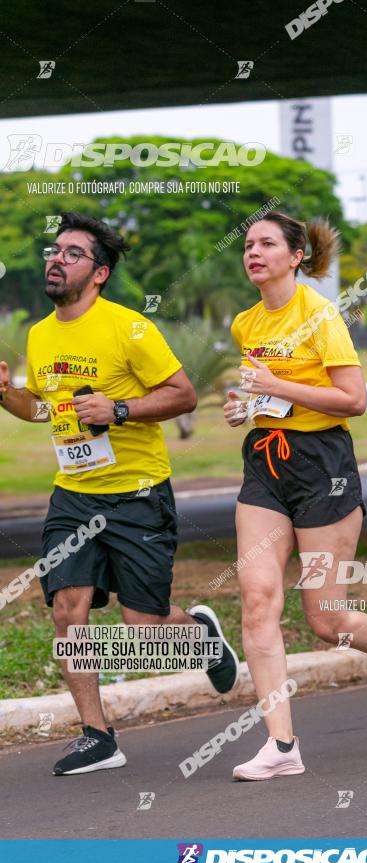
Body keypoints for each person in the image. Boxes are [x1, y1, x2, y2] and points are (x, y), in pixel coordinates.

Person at [0, 212, 239, 776]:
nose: (56, 260)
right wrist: (5, 395)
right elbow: (42, 408)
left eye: (71, 254)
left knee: (145, 630)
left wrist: (120, 409)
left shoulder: (128, 328)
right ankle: (98, 735)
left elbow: (182, 393)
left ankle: (200, 635)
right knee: (67, 609)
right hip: (74, 495)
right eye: (53, 251)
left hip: (138, 495)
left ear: (100, 272)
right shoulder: (41, 332)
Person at [223, 210, 367, 781]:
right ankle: (282, 746)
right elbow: (265, 399)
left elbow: (354, 399)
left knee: (325, 616)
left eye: (267, 244)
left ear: (296, 257)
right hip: (266, 463)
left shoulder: (320, 316)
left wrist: (274, 386)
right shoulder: (246, 324)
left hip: (324, 470)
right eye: (248, 245)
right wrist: (245, 407)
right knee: (258, 598)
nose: (254, 252)